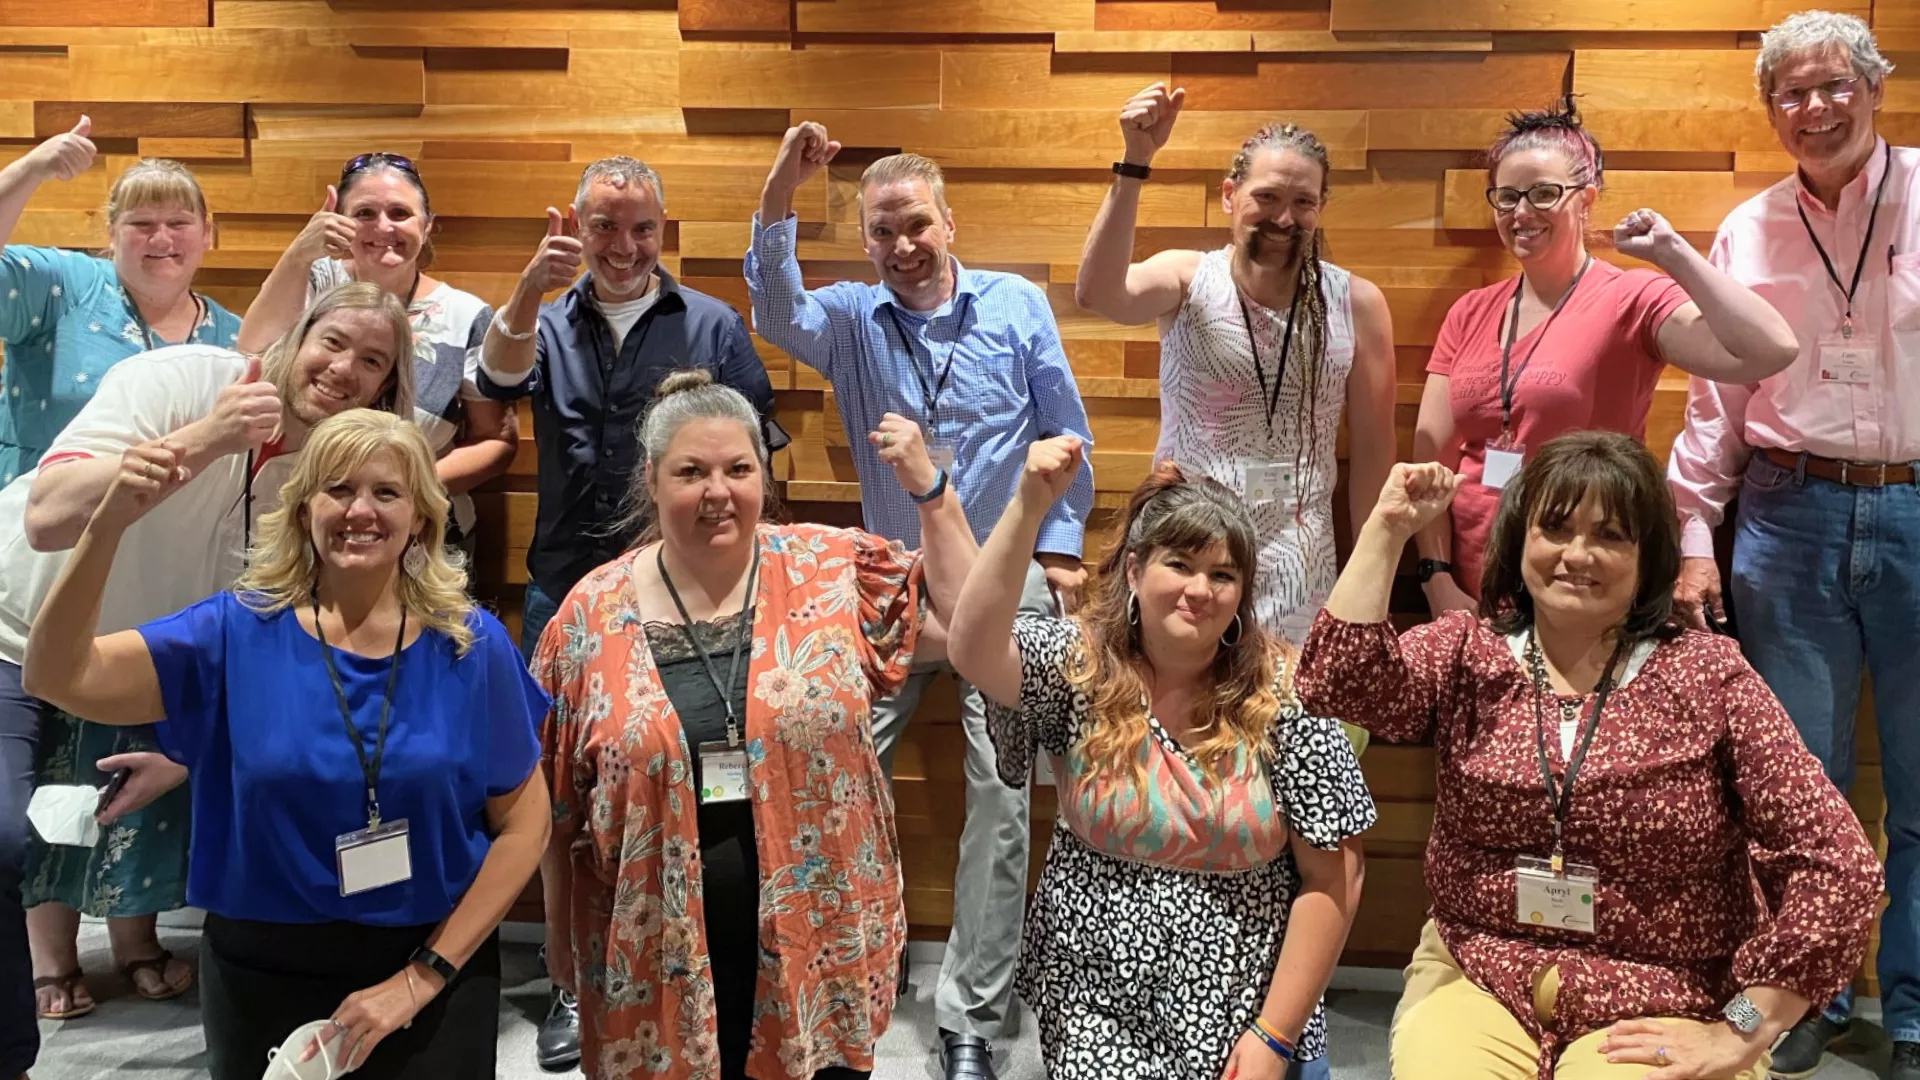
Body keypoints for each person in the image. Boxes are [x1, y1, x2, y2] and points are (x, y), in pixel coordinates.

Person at [1296, 432, 1883, 1080]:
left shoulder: (1708, 676)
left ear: (1646, 560)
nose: (1577, 554)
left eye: (1609, 536)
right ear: (1520, 541)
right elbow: (1335, 685)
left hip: (1668, 988)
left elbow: (1839, 866)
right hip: (1483, 965)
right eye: (1555, 527)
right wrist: (1387, 528)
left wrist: (1742, 1027)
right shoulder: (1468, 653)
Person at [20, 408, 547, 1080]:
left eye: (387, 492)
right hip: (262, 968)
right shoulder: (232, 631)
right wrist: (106, 526)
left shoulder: (470, 644)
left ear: (421, 518)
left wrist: (423, 976)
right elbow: (57, 674)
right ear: (302, 510)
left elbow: (524, 823)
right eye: (337, 489)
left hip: (431, 962)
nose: (361, 510)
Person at [749, 123, 1096, 1080]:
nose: (902, 246)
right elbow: (774, 307)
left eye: (916, 225)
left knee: (1002, 787)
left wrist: (1061, 550)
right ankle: (853, 968)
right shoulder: (854, 319)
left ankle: (974, 1017)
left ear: (950, 222)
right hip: (886, 582)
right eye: (882, 232)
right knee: (831, 763)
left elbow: (1068, 432)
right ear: (864, 242)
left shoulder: (1017, 306)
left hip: (1007, 577)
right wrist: (785, 182)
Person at [533, 371, 988, 1079]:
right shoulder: (589, 617)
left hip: (823, 934)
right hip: (653, 948)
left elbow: (969, 625)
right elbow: (554, 808)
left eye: (738, 469)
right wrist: (559, 944)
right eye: (692, 472)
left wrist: (931, 492)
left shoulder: (832, 568)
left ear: (764, 477)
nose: (719, 491)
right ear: (651, 481)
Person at [0, 280, 410, 1051]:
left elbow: (269, 629)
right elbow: (48, 517)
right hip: (15, 624)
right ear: (299, 332)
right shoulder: (185, 379)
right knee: (2, 837)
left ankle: (120, 951)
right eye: (334, 341)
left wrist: (190, 747)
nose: (344, 368)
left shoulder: (325, 480)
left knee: (86, 815)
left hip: (130, 657)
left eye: (372, 361)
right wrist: (209, 438)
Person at [477, 155, 784, 1069]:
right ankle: (574, 984)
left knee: (693, 783)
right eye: (605, 226)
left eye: (641, 227)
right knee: (560, 801)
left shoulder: (712, 323)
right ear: (576, 225)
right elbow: (493, 388)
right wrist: (530, 287)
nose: (623, 245)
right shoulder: (546, 318)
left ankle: (702, 965)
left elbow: (755, 445)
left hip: (691, 594)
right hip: (567, 591)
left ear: (663, 229)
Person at [1665, 11, 1920, 1075]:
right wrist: (1692, 533)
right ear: (1772, 110)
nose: (1814, 109)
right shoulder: (1750, 226)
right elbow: (1717, 396)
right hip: (1785, 512)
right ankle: (1803, 997)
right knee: (1799, 789)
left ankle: (1911, 1012)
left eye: (1832, 86)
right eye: (1792, 94)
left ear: (1873, 85)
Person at [947, 449, 1372, 1080]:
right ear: (1137, 571)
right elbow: (974, 648)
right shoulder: (1078, 665)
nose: (1201, 590)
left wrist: (1274, 1036)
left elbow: (1335, 877)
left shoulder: (1288, 691)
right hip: (1094, 991)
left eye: (1223, 575)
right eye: (1180, 565)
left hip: (1247, 992)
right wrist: (1029, 504)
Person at [0, 120, 240, 1060]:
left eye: (179, 221)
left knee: (128, 757)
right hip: (49, 556)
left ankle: (136, 936)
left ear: (207, 234)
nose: (161, 239)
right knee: (55, 757)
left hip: (157, 576)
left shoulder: (222, 330)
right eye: (140, 221)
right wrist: (27, 168)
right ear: (110, 234)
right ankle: (51, 955)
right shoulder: (59, 288)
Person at [1410, 100, 1799, 615]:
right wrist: (1436, 578)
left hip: (1586, 581)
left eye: (1544, 193)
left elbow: (1771, 349)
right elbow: (1431, 458)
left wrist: (1674, 254)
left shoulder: (1632, 299)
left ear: (1585, 199)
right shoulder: (1472, 311)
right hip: (1473, 582)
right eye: (1506, 197)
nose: (1521, 213)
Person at [1075, 83, 1398, 646]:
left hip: (1299, 560)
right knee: (1170, 707)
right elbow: (1099, 293)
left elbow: (1373, 450)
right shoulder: (1186, 278)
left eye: (1303, 203)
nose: (1284, 217)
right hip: (1183, 551)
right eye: (1267, 197)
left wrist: (1372, 571)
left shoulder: (1357, 303)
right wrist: (1135, 164)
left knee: (1276, 718)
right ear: (1230, 195)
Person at [237, 151, 517, 554]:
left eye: (400, 213)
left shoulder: (467, 315)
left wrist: (407, 488)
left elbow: (496, 441)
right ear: (340, 221)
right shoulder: (313, 282)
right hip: (297, 521)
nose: (383, 227)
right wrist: (299, 253)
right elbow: (252, 350)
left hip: (422, 532)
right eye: (365, 213)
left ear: (428, 225)